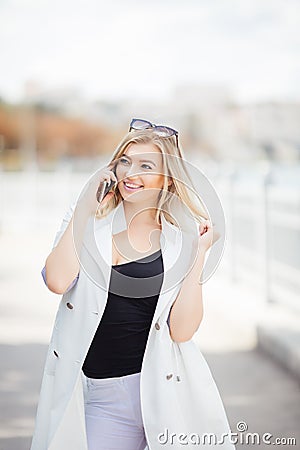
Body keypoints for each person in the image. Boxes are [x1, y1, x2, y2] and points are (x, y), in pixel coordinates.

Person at [30, 118, 236, 450]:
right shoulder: (86, 220)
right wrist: (85, 205)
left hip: (168, 392)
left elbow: (182, 331)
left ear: (166, 180)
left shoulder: (180, 241)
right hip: (104, 399)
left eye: (145, 165)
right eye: (125, 161)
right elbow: (56, 280)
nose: (130, 172)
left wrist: (199, 254)